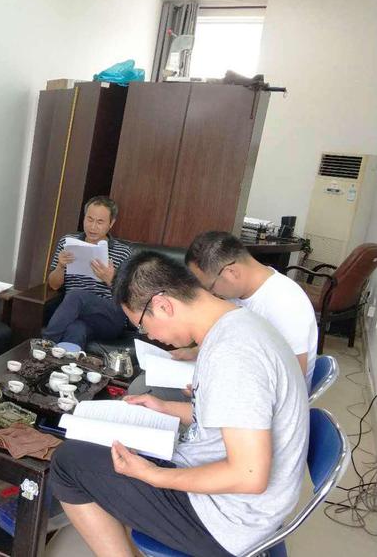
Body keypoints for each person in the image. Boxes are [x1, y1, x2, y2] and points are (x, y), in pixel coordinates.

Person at [49, 251, 309, 557]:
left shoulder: (234, 354)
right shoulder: (237, 324)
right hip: (240, 502)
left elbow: (249, 475)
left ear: (163, 305)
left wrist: (154, 476)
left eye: (143, 326)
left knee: (66, 463)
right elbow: (239, 419)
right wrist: (166, 407)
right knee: (112, 450)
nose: (151, 336)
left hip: (228, 519)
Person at [185, 231, 317, 389]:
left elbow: (294, 379)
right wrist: (196, 351)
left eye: (210, 287)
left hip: (264, 397)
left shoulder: (285, 303)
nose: (212, 294)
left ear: (232, 272)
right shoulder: (238, 294)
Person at [42, 196, 131, 348]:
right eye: (89, 219)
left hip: (109, 316)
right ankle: (62, 362)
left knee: (77, 295)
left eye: (100, 222)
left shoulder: (123, 252)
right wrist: (60, 266)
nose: (93, 227)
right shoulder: (68, 242)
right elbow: (54, 285)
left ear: (111, 223)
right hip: (76, 314)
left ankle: (46, 343)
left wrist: (110, 279)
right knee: (76, 329)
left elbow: (130, 298)